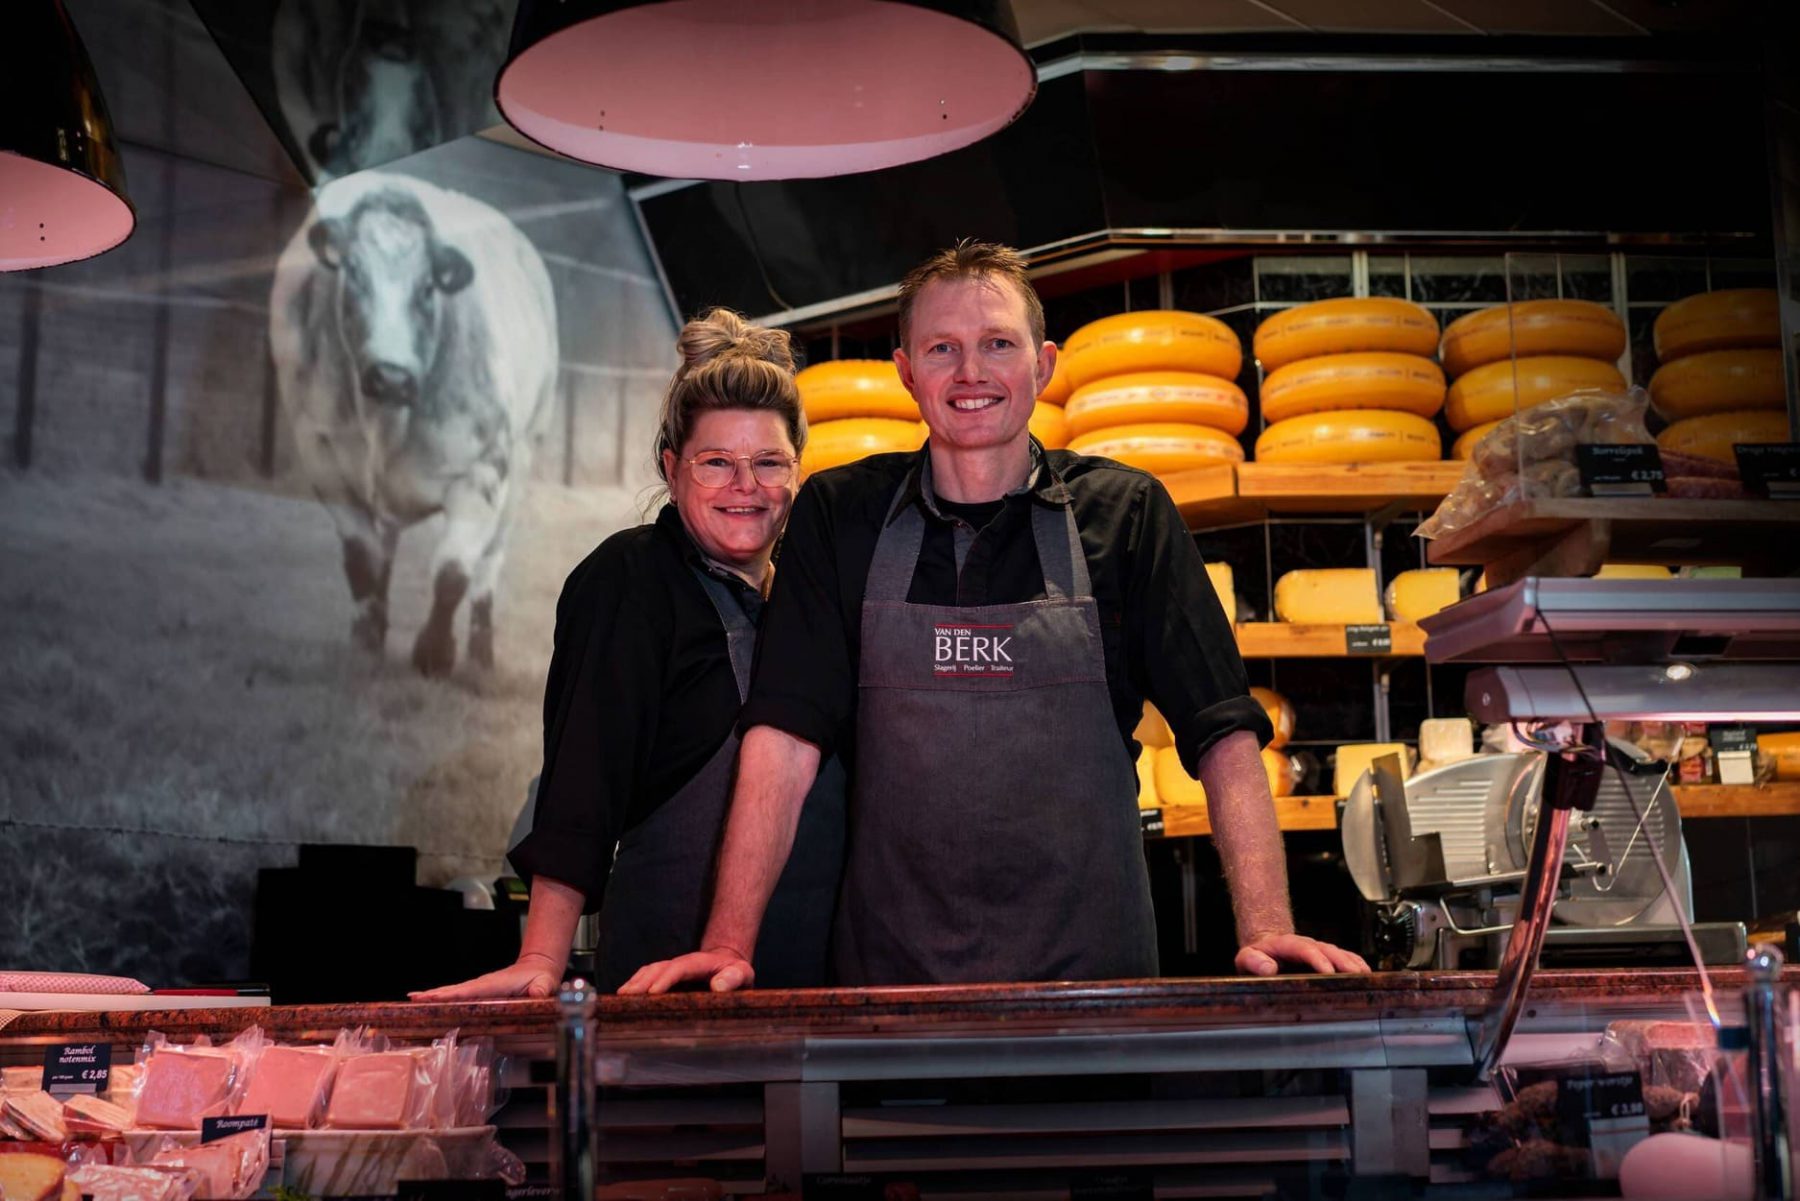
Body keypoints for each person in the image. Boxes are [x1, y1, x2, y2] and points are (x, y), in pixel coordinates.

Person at [622, 243, 1369, 994]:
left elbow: (1223, 731)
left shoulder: (1127, 514)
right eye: (942, 348)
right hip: (891, 1005)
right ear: (906, 372)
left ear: (1042, 365)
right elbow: (784, 741)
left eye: (997, 345)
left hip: (1097, 999)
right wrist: (728, 941)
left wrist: (1268, 926)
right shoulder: (842, 516)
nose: (970, 372)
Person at [412, 309, 846, 999]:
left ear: (798, 471)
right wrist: (543, 958)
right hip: (669, 991)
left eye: (769, 462)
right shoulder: (634, 579)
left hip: (810, 991)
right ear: (671, 470)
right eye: (716, 463)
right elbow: (585, 772)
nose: (746, 485)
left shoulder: (811, 597)